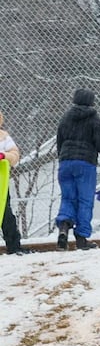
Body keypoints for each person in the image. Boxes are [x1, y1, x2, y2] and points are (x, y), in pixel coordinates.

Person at [53, 88, 100, 250]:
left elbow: (60, 141)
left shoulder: (65, 118)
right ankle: (81, 238)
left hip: (66, 163)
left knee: (67, 198)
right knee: (85, 200)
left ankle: (63, 227)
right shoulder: (94, 119)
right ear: (91, 102)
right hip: (85, 163)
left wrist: (63, 158)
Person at [0, 109, 28, 255]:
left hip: (1, 183)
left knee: (5, 213)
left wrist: (4, 155)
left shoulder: (3, 137)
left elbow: (15, 154)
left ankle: (14, 245)